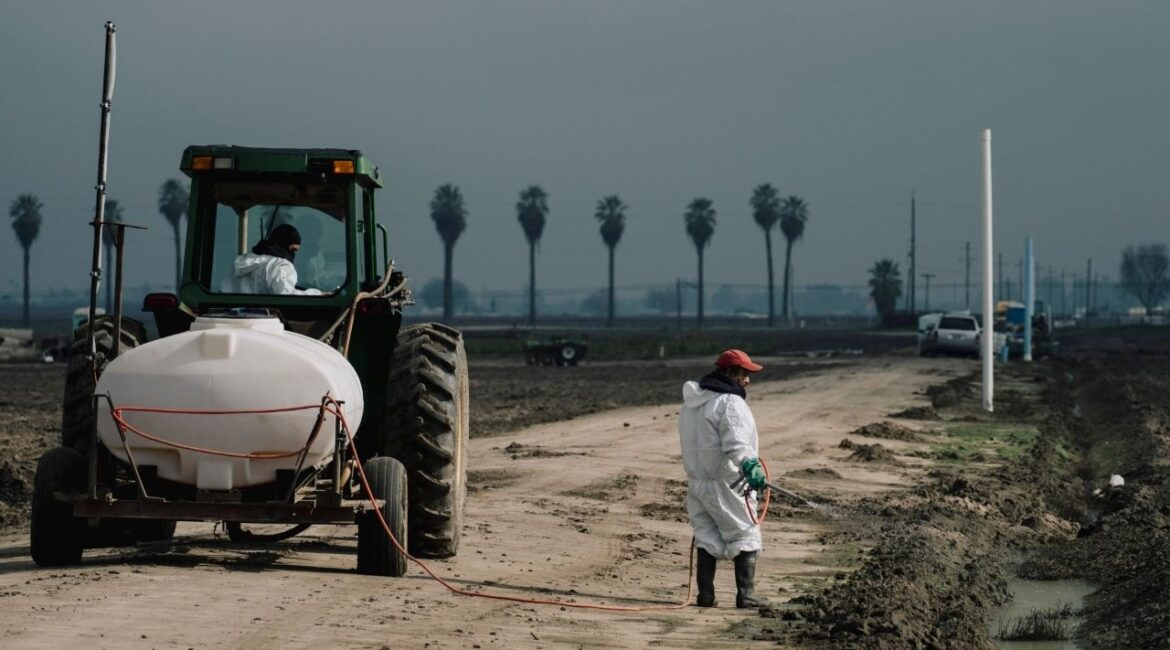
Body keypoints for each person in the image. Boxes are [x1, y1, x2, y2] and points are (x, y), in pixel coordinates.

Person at [678, 349, 770, 609]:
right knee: (745, 532)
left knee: (706, 534)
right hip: (727, 481)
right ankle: (747, 596)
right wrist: (751, 465)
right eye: (744, 374)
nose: (748, 380)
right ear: (730, 373)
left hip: (697, 483)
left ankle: (705, 596)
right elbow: (737, 442)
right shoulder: (730, 403)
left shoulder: (691, 404)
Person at [226, 224, 322, 295]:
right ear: (282, 244)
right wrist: (319, 294)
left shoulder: (240, 262)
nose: (293, 255)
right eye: (292, 250)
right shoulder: (280, 265)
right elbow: (287, 297)